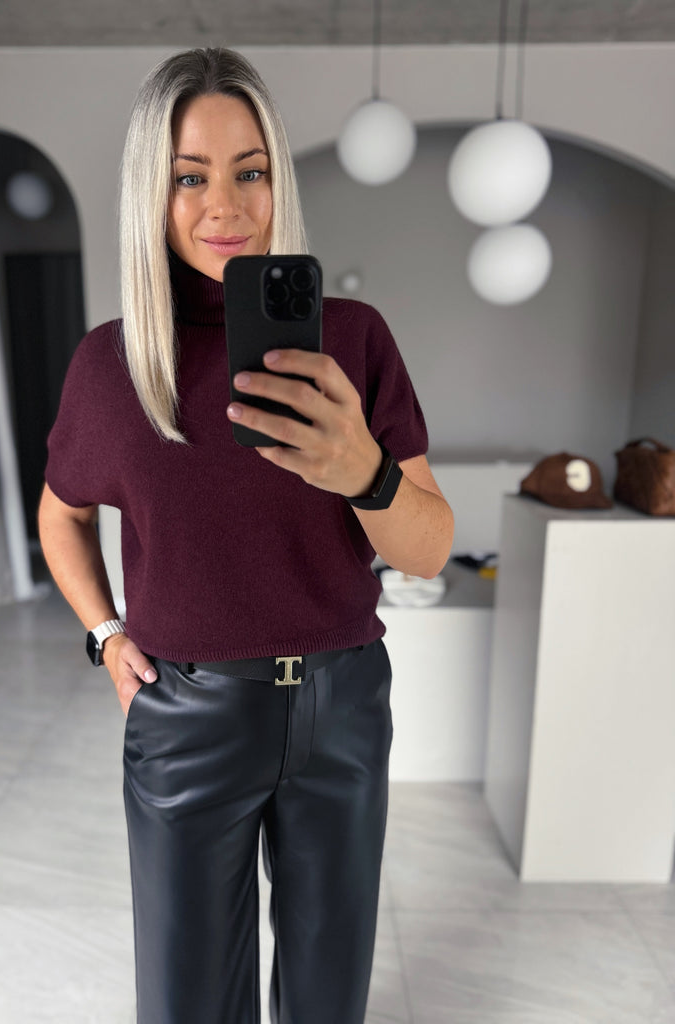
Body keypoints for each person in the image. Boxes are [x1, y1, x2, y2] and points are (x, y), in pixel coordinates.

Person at [38, 46, 453, 1024]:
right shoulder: (112, 364)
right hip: (189, 716)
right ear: (151, 190)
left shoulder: (353, 339)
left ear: (279, 180)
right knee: (186, 1003)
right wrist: (105, 633)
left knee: (327, 1000)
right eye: (190, 177)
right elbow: (61, 514)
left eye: (250, 170)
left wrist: (363, 470)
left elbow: (429, 548)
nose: (224, 205)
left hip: (343, 705)